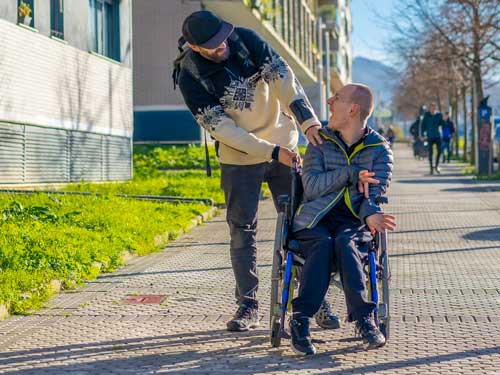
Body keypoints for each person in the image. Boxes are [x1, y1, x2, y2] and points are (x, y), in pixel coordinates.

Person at [174, 10, 340, 332]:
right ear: (194, 48)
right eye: (211, 45)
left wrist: (308, 122)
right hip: (239, 158)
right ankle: (248, 305)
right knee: (241, 231)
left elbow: (285, 83)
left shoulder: (247, 41)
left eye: (222, 38)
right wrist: (269, 152)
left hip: (284, 143)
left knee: (303, 225)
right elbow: (221, 128)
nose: (220, 47)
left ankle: (315, 299)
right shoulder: (190, 75)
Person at [289, 83, 396, 355]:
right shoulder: (319, 141)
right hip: (315, 220)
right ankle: (300, 321)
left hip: (355, 220)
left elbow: (375, 192)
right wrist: (350, 174)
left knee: (347, 242)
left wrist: (371, 212)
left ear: (353, 109)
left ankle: (364, 319)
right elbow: (311, 186)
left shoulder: (380, 150)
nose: (328, 101)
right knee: (323, 243)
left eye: (336, 98)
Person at [421, 102, 445, 174]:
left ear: (436, 108)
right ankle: (431, 168)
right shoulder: (426, 115)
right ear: (430, 108)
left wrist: (444, 120)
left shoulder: (439, 115)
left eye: (434, 108)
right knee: (430, 152)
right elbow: (423, 126)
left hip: (438, 135)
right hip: (430, 136)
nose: (433, 109)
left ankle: (437, 166)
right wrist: (422, 135)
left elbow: (442, 124)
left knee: (440, 151)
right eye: (432, 108)